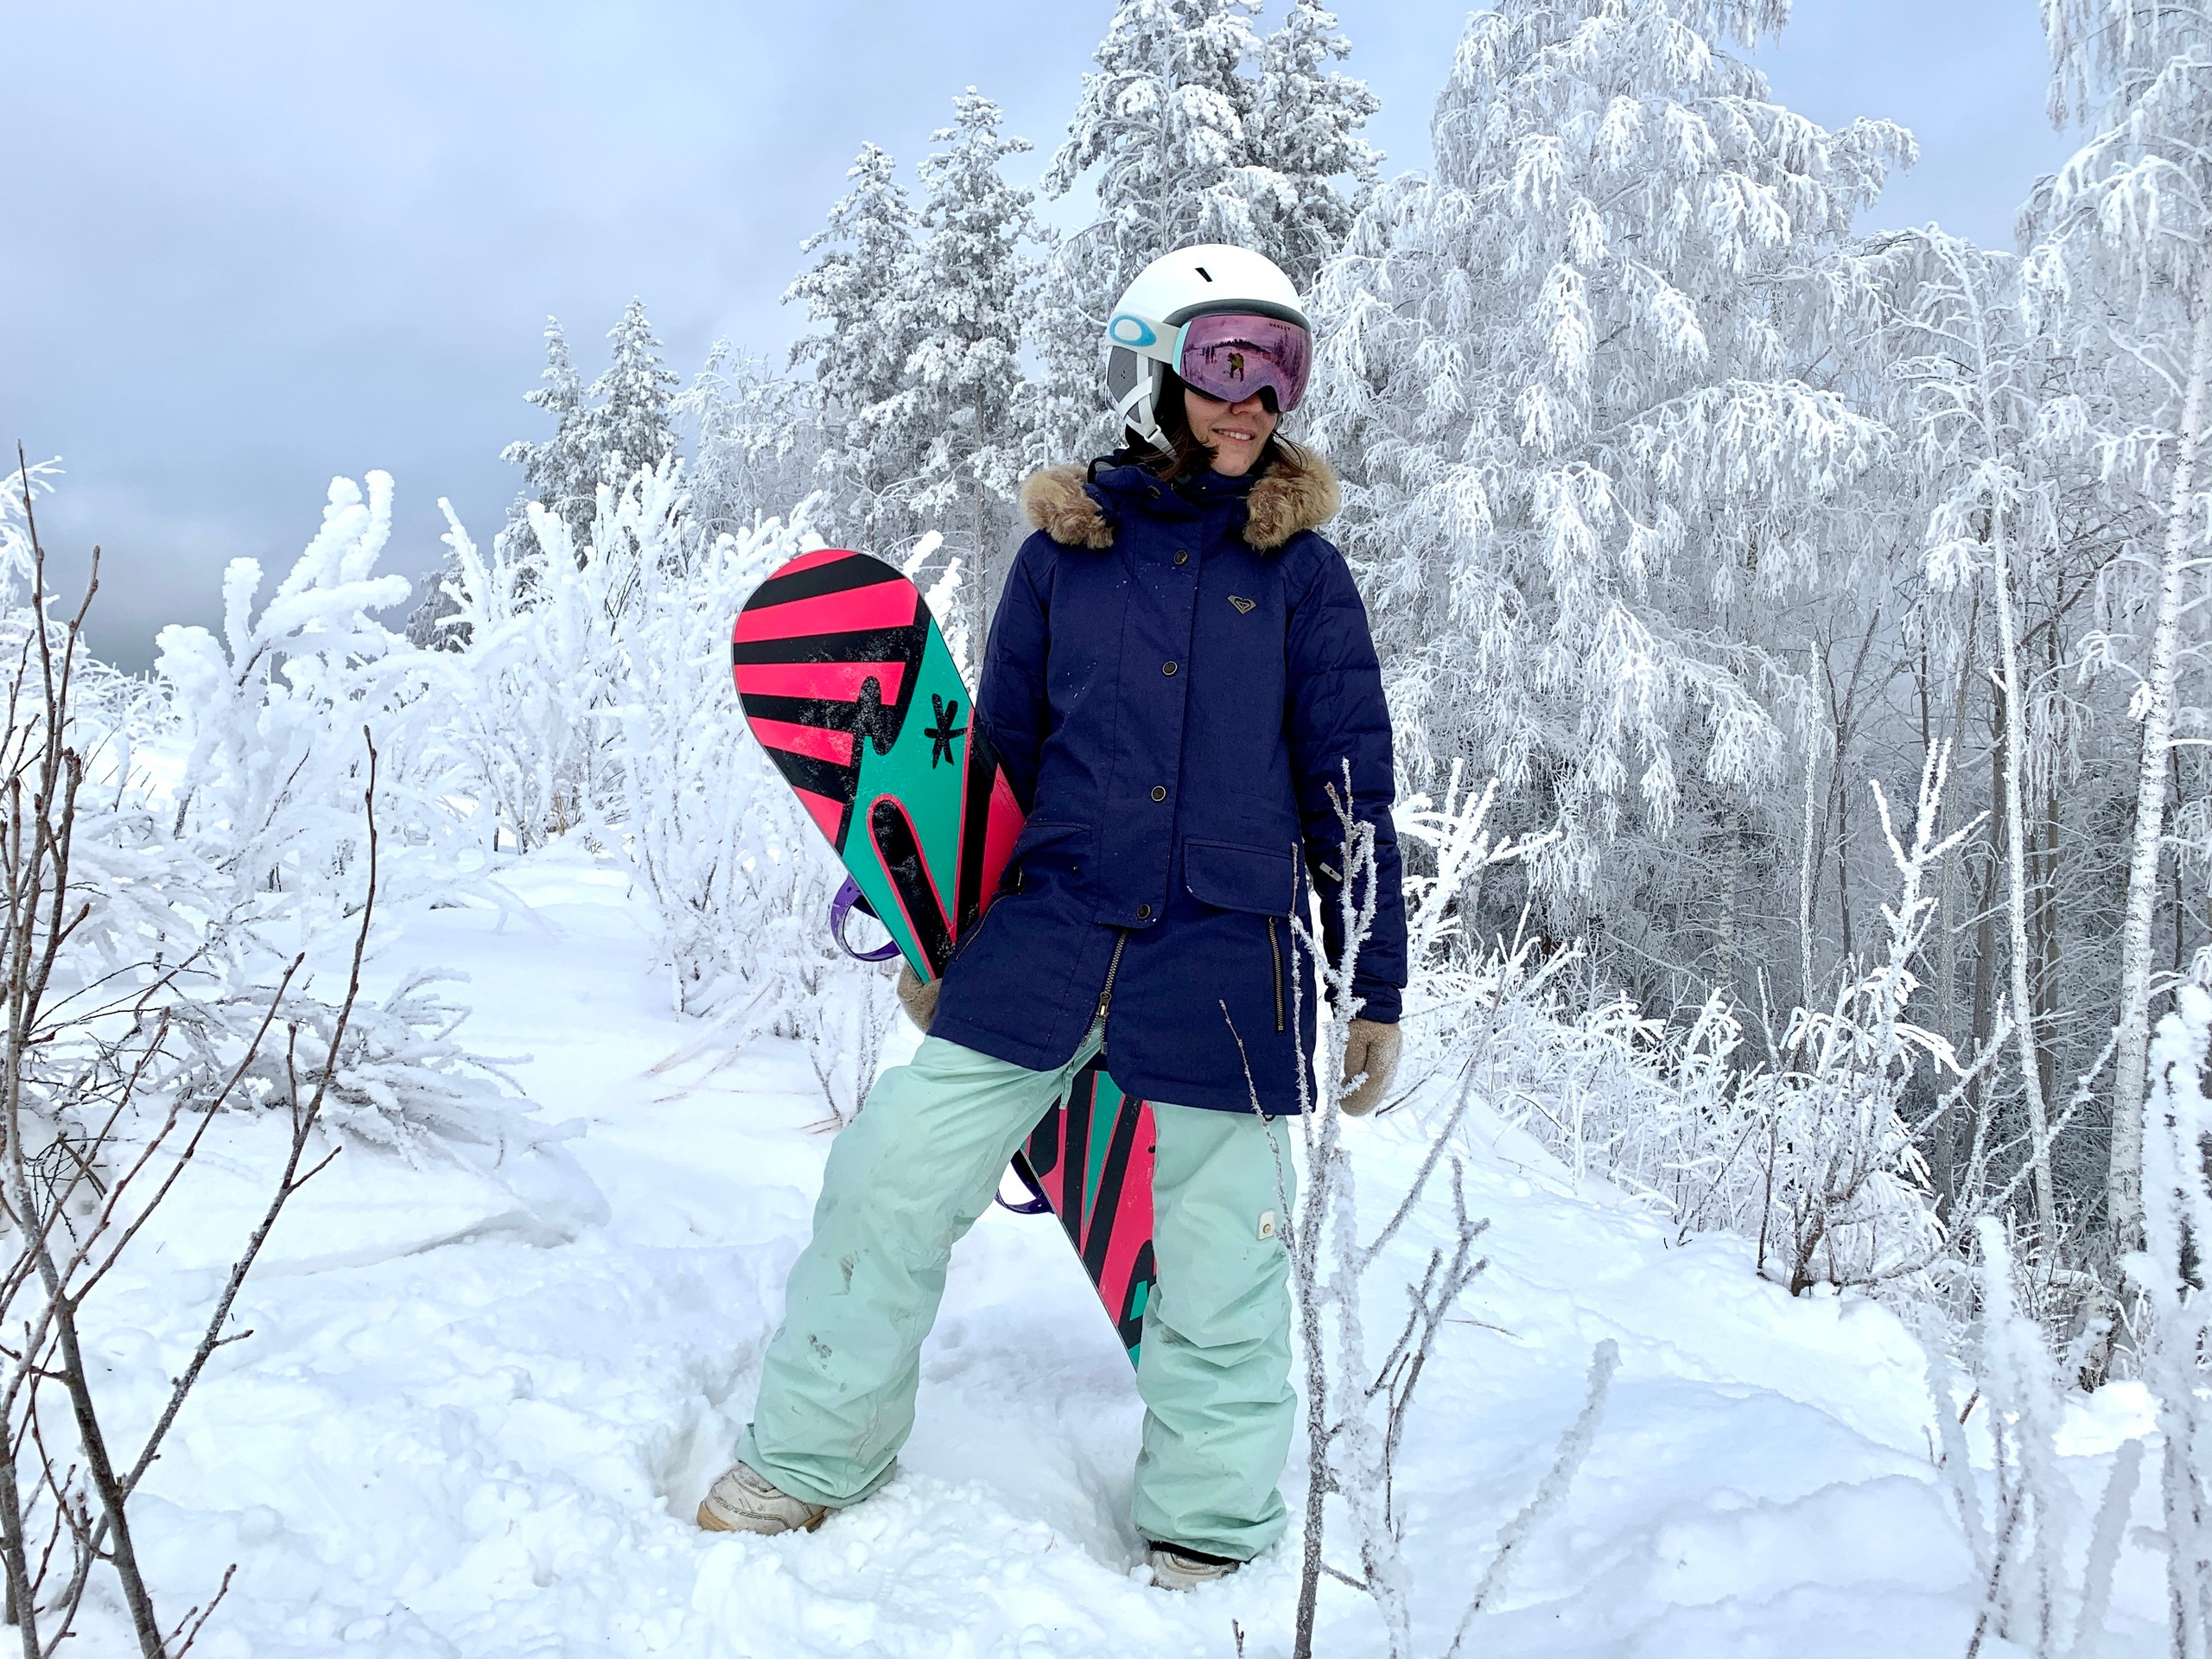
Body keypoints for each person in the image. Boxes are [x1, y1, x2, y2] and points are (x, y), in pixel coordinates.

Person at [698, 245, 1407, 1592]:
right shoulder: (1062, 553)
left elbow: (1348, 779)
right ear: (1164, 367)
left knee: (1224, 1260)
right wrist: (941, 932)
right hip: (1051, 927)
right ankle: (809, 1455)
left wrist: (1375, 983)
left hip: (1227, 951)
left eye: (1279, 365)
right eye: (1221, 359)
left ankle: (1207, 1517)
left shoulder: (1304, 575)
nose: (1249, 396)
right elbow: (1000, 758)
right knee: (889, 1177)